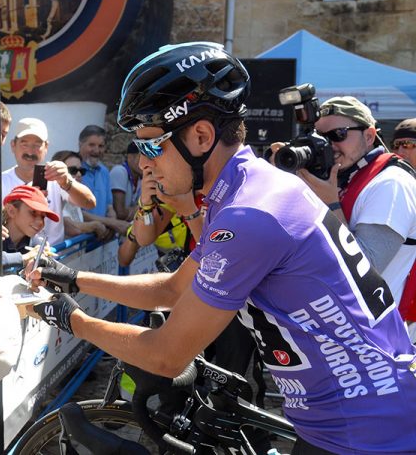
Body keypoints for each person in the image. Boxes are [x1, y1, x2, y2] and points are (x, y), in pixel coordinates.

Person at [29, 42, 416, 454]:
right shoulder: (244, 188)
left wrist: (73, 321)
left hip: (363, 431)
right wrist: (74, 279)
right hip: (353, 415)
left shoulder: (250, 214)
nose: (144, 163)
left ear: (200, 136)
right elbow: (174, 289)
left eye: (150, 145)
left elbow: (166, 356)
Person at [277, 97, 416, 314]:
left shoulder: (392, 183)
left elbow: (365, 268)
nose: (327, 145)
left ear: (369, 136)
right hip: (335, 328)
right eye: (320, 137)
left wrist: (330, 205)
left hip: (373, 338)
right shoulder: (339, 178)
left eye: (338, 134)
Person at [2, 118, 95, 246]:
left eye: (37, 145)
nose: (30, 151)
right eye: (24, 143)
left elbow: (89, 203)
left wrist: (67, 182)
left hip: (52, 258)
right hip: (15, 260)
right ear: (13, 145)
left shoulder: (56, 178)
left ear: (46, 147)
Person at [78, 125, 130, 235]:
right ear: (80, 144)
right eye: (91, 145)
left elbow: (109, 207)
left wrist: (111, 224)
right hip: (78, 239)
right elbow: (76, 212)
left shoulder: (104, 171)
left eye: (101, 146)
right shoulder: (73, 171)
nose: (96, 150)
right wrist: (113, 223)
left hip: (100, 239)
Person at [50, 150, 110, 240]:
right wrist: (95, 226)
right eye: (72, 170)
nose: (78, 174)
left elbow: (90, 204)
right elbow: (73, 228)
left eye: (81, 171)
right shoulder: (55, 191)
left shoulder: (74, 193)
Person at [1, 185, 58, 274]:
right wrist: (25, 257)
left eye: (43, 216)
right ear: (11, 210)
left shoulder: (36, 244)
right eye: (33, 213)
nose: (40, 222)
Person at [110, 142, 142, 220]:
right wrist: (140, 209)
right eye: (141, 158)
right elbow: (120, 213)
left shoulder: (140, 178)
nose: (145, 163)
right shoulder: (119, 172)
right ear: (130, 157)